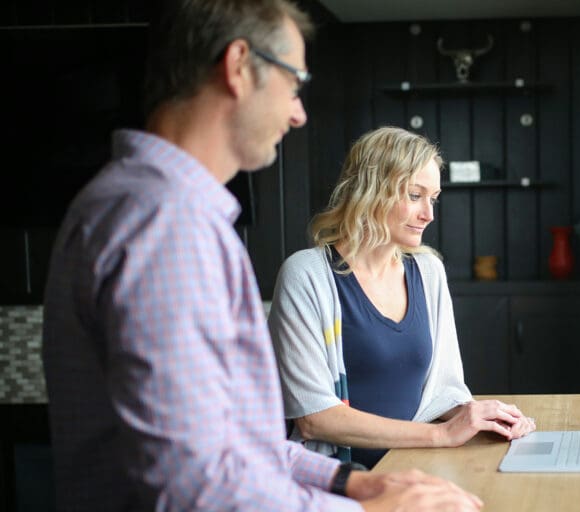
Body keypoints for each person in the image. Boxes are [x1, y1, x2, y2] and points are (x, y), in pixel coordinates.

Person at [41, 1, 482, 510]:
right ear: (237, 67)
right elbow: (194, 485)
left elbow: (236, 442)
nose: (298, 113)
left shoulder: (152, 207)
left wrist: (351, 483)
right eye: (294, 83)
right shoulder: (166, 225)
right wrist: (371, 509)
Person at [268, 126, 536, 467]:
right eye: (414, 195)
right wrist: (442, 435)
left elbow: (444, 389)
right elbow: (314, 417)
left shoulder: (428, 271)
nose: (429, 214)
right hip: (338, 479)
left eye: (433, 198)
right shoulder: (306, 276)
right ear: (370, 191)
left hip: (417, 465)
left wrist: (481, 415)